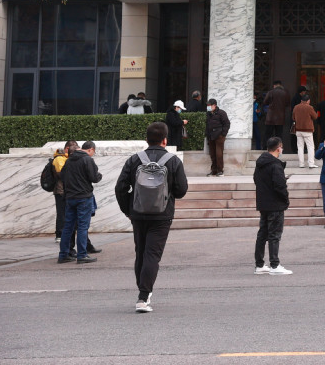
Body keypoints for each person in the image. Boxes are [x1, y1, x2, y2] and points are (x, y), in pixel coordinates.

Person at [114, 121, 189, 313]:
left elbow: (120, 187)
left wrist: (128, 210)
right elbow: (181, 191)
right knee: (152, 255)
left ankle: (143, 289)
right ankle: (143, 296)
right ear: (165, 140)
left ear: (147, 139)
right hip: (162, 215)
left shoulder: (134, 160)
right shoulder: (173, 161)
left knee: (141, 252)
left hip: (138, 214)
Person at [253, 136, 292, 275]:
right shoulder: (275, 164)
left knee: (262, 234)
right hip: (275, 204)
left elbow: (256, 179)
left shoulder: (261, 163)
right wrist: (286, 200)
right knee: (274, 235)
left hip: (263, 203)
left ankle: (259, 265)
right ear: (278, 148)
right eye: (281, 147)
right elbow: (280, 186)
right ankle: (274, 265)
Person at [59, 141, 101, 264]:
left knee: (68, 227)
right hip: (83, 197)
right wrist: (99, 175)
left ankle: (63, 255)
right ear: (90, 149)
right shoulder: (87, 160)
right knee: (83, 227)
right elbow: (94, 177)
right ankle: (82, 254)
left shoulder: (68, 161)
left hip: (70, 197)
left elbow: (62, 176)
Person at [51, 141, 75, 246]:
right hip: (60, 190)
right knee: (61, 213)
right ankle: (59, 235)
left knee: (65, 213)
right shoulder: (59, 159)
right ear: (67, 149)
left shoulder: (65, 158)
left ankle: (63, 234)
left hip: (65, 190)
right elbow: (62, 174)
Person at [205, 98, 230, 177]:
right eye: (207, 105)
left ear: (214, 105)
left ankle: (220, 170)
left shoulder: (221, 113)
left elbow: (227, 124)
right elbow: (207, 125)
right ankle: (214, 170)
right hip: (211, 136)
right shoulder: (208, 114)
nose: (208, 107)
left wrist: (223, 134)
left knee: (219, 154)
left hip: (219, 136)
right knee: (212, 154)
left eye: (209, 105)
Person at [292, 93, 318, 169]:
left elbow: (293, 118)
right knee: (310, 147)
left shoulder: (296, 107)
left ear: (301, 100)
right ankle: (311, 163)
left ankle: (301, 164)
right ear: (308, 100)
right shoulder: (309, 107)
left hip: (298, 130)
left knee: (300, 147)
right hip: (307, 130)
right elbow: (315, 117)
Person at [262, 80, 289, 147]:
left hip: (270, 117)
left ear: (274, 85)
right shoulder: (285, 93)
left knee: (268, 134)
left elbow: (265, 102)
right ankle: (279, 148)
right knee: (279, 135)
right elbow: (287, 103)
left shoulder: (271, 92)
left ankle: (266, 147)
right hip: (280, 118)